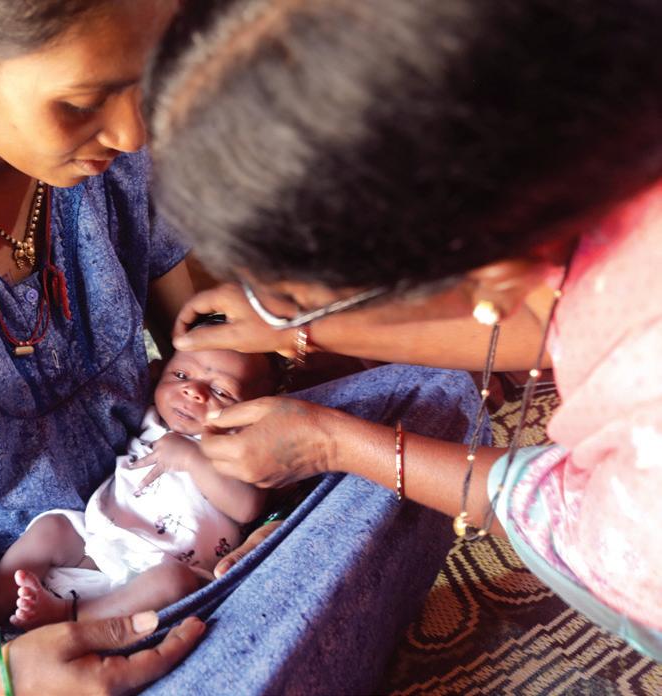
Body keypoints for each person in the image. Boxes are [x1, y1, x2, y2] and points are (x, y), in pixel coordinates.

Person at [0, 2, 487, 695]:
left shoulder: (112, 159)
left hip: (178, 522)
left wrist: (262, 507)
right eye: (83, 102)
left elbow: (213, 347)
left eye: (145, 86)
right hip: (6, 611)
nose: (130, 134)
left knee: (433, 400)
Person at [147, 0, 662, 661]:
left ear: (488, 275)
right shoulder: (580, 156)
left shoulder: (643, 494)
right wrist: (293, 328)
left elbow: (567, 515)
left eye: (298, 299)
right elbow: (544, 317)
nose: (289, 314)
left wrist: (333, 443)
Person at [0, 326, 278, 630]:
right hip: (98, 538)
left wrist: (193, 458)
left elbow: (247, 507)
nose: (193, 391)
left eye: (221, 392)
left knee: (174, 582)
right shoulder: (152, 417)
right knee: (52, 527)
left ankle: (71, 616)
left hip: (164, 567)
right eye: (180, 375)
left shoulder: (238, 449)